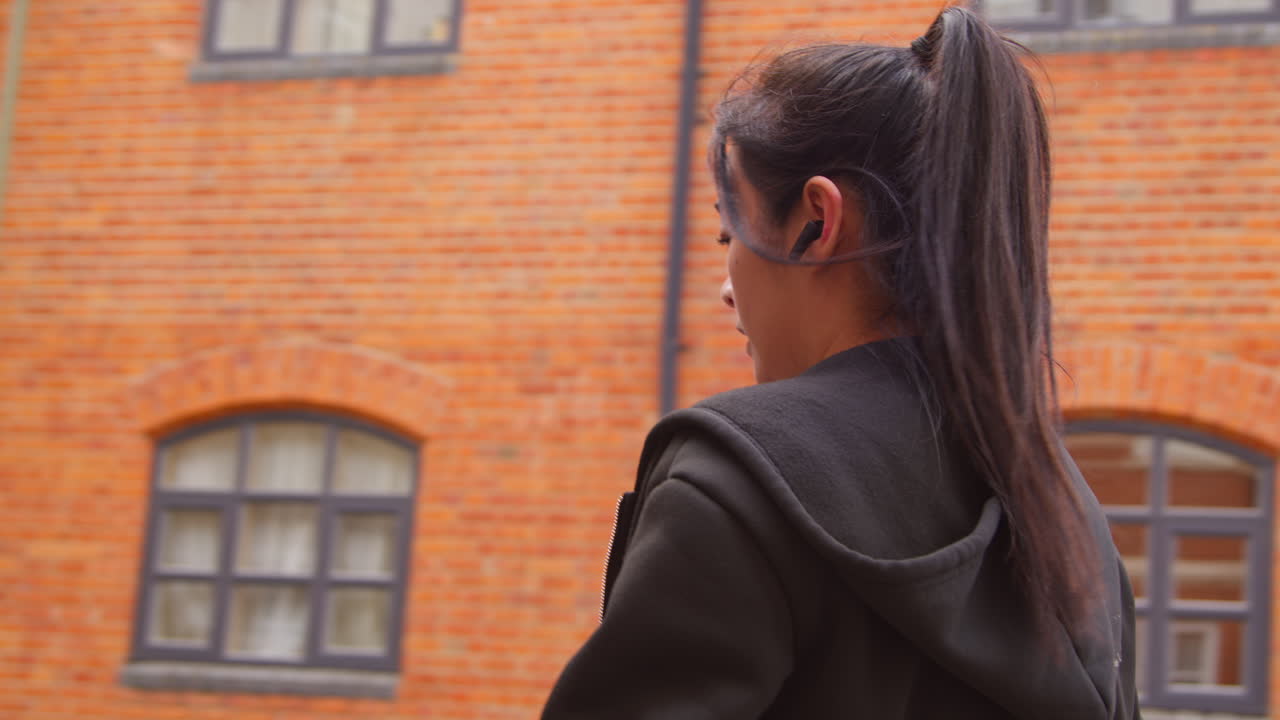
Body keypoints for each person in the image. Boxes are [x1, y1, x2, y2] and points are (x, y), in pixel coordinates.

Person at [542, 6, 1140, 719]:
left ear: (818, 222)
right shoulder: (1064, 511)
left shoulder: (743, 477)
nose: (727, 288)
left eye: (730, 234)